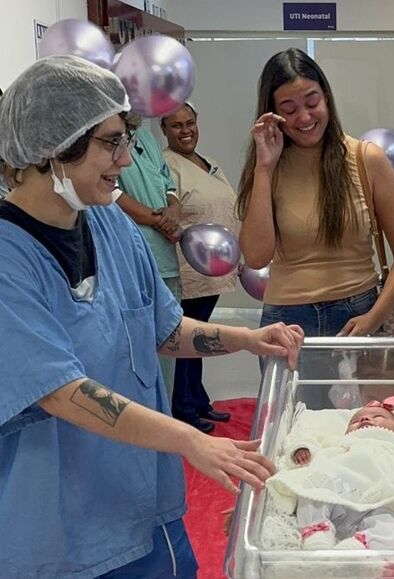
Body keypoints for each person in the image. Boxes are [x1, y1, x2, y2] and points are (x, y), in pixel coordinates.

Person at [0, 55, 304, 578]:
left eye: (127, 141)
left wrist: (247, 338)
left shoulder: (109, 226)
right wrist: (192, 439)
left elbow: (162, 329)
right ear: (53, 146)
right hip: (65, 532)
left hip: (146, 508)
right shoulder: (10, 258)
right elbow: (59, 389)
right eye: (110, 143)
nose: (124, 160)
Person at [236, 48, 394, 341]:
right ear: (272, 113)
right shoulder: (266, 166)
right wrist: (263, 168)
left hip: (358, 311)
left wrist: (374, 318)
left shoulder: (366, 158)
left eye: (312, 102)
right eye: (289, 108)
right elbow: (256, 257)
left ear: (327, 98)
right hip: (287, 320)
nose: (305, 117)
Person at [266, 395, 394, 550]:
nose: (364, 419)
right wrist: (302, 451)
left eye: (379, 417)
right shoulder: (340, 441)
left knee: (390, 527)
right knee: (311, 493)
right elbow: (316, 446)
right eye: (355, 420)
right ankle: (317, 535)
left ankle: (357, 547)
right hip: (336, 487)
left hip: (382, 497)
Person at [161, 102, 241, 434]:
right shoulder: (167, 165)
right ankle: (184, 407)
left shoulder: (209, 163)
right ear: (164, 129)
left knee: (198, 338)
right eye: (176, 125)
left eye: (190, 122)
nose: (185, 130)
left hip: (215, 273)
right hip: (190, 272)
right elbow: (171, 210)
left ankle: (197, 398)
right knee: (190, 340)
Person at [116, 124, 183, 396]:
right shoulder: (105, 138)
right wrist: (158, 220)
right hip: (134, 261)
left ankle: (166, 423)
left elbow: (168, 184)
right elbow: (113, 195)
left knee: (169, 354)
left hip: (166, 260)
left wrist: (173, 210)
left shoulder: (145, 136)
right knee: (138, 360)